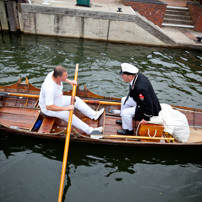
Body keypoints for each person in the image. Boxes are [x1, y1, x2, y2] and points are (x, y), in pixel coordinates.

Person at [39, 66, 104, 135]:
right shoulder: (50, 88)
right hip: (49, 109)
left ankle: (94, 115)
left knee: (76, 99)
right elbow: (48, 107)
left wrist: (69, 81)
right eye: (65, 76)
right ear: (58, 77)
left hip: (59, 100)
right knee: (68, 114)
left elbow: (63, 78)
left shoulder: (53, 74)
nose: (67, 76)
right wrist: (66, 108)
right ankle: (91, 131)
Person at [116, 63, 161, 135]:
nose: (121, 76)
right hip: (139, 101)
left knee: (125, 113)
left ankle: (128, 130)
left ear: (130, 76)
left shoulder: (140, 88)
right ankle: (124, 120)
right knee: (124, 100)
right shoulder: (137, 76)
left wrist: (146, 118)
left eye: (123, 75)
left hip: (148, 108)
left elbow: (148, 103)